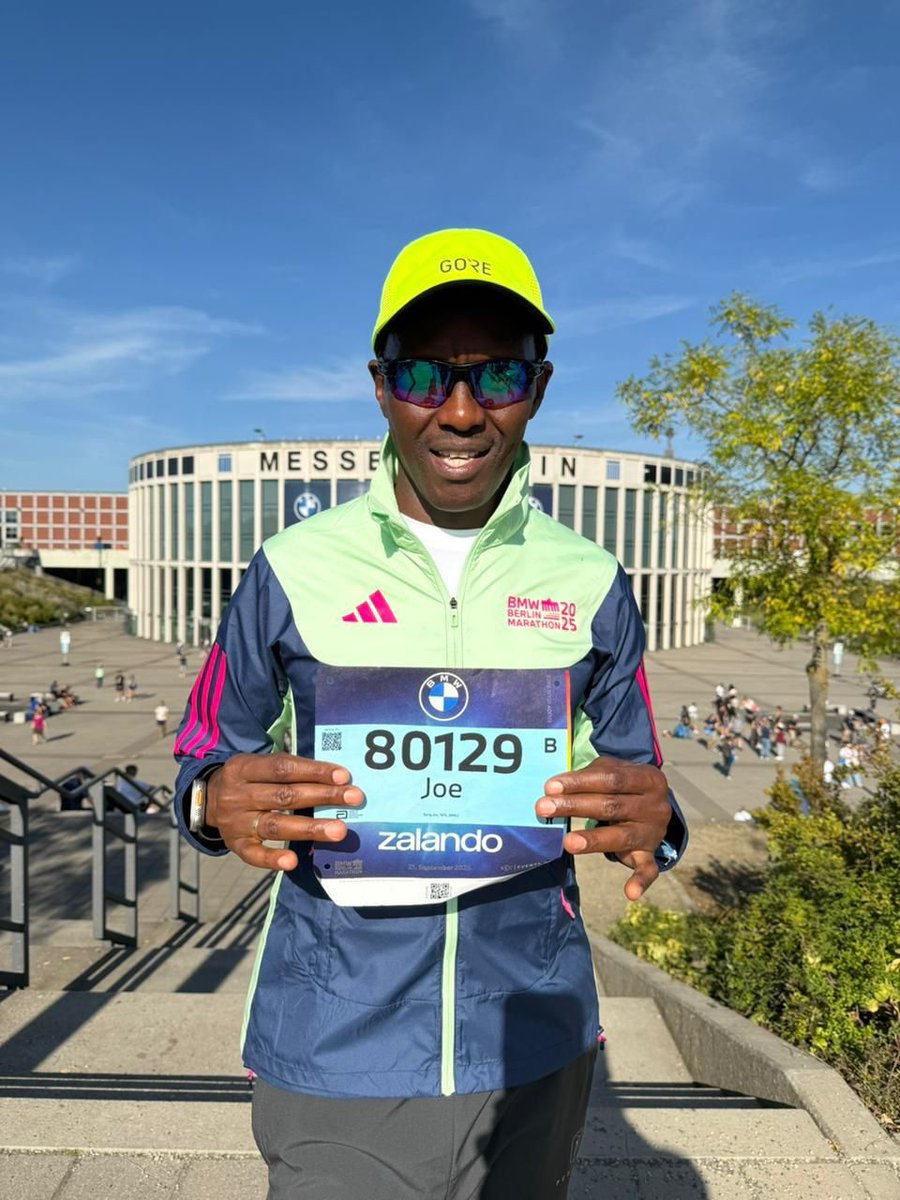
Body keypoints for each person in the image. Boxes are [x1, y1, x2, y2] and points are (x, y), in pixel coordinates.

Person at [172, 228, 687, 1200]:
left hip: (532, 1041)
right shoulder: (292, 567)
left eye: (496, 374)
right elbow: (206, 748)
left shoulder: (591, 579)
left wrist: (655, 824)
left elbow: (641, 767)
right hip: (335, 1041)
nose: (459, 411)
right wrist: (212, 800)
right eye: (423, 373)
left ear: (537, 384)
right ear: (379, 384)